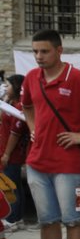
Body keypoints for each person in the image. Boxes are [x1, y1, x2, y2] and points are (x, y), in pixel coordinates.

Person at [15, 29, 80, 239]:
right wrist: (33, 127)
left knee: (73, 220)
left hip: (69, 163)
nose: (38, 57)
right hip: (37, 161)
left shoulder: (79, 79)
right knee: (47, 220)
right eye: (35, 51)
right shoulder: (32, 78)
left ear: (59, 51)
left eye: (44, 51)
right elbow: (26, 106)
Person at [1, 75, 32, 229]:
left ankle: (13, 218)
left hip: (12, 153)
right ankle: (17, 217)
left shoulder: (20, 107)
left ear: (17, 86)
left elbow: (15, 132)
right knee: (15, 184)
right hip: (7, 151)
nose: (6, 88)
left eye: (8, 85)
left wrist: (6, 154)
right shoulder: (11, 104)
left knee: (10, 185)